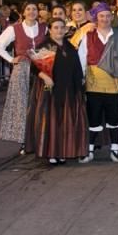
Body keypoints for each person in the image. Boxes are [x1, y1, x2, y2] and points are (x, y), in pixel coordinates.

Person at [77, 5, 118, 163]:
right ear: (96, 18)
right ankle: (89, 150)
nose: (104, 19)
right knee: (93, 116)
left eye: (107, 16)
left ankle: (115, 149)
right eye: (101, 16)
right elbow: (81, 59)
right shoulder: (88, 36)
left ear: (112, 18)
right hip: (94, 84)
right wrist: (81, 79)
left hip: (114, 84)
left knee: (114, 118)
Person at [25, 18, 88, 165]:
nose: (59, 30)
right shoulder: (45, 46)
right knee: (52, 122)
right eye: (56, 28)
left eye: (62, 28)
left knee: (66, 122)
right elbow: (34, 68)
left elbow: (77, 67)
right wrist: (45, 76)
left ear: (65, 30)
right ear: (50, 30)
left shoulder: (70, 46)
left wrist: (80, 85)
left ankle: (63, 152)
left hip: (69, 90)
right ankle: (51, 152)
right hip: (51, 89)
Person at [0, 2, 46, 145]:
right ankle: (24, 140)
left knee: (40, 103)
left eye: (34, 9)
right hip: (22, 68)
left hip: (41, 69)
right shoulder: (14, 29)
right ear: (23, 12)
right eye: (28, 9)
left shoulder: (44, 28)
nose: (31, 12)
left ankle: (39, 136)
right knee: (22, 104)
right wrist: (11, 59)